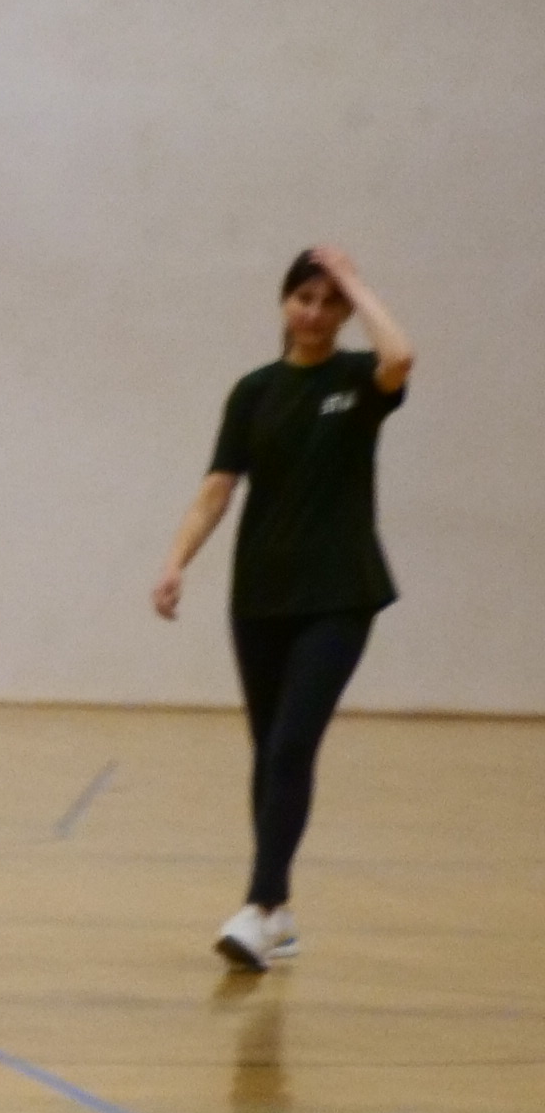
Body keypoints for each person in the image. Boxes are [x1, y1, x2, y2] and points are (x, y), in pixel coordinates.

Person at [152, 246, 415, 971]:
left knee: (295, 743)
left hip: (339, 595)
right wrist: (176, 562)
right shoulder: (254, 392)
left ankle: (258, 907)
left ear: (345, 313)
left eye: (330, 303)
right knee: (270, 752)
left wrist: (355, 280)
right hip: (261, 595)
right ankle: (280, 915)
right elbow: (217, 489)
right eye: (304, 298)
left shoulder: (357, 380)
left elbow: (400, 356)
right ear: (284, 303)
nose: (315, 312)